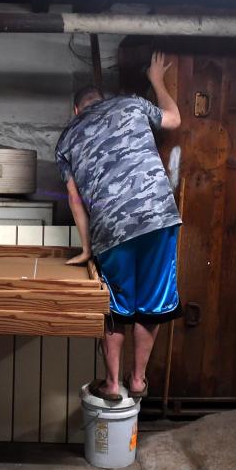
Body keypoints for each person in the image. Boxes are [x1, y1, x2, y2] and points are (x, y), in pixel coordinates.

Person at [54, 52, 182, 401]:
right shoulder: (131, 105)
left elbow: (75, 199)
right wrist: (157, 81)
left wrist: (85, 248)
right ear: (102, 102)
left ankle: (112, 384)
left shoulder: (66, 139)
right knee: (152, 301)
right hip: (158, 214)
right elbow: (173, 119)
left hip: (111, 226)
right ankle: (138, 380)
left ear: (76, 110)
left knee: (116, 306)